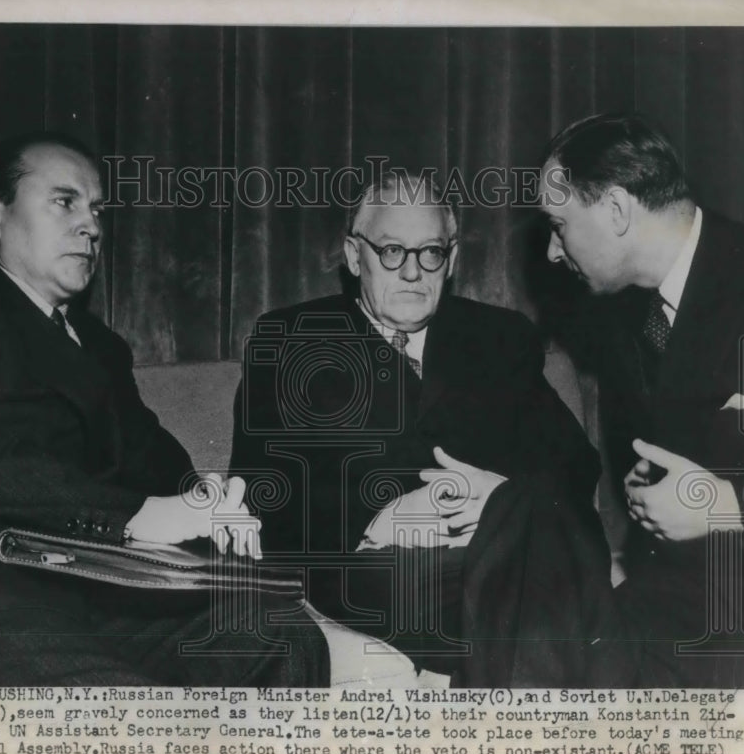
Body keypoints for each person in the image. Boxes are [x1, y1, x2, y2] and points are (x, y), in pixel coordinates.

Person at [0, 132, 330, 686]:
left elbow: (154, 460)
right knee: (120, 708)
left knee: (281, 637)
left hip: (101, 594)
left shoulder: (101, 345)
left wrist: (209, 501)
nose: (91, 226)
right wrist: (133, 515)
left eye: (97, 210)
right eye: (65, 202)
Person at [229, 172, 602, 681]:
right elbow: (260, 490)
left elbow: (573, 463)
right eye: (390, 251)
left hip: (503, 549)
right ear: (354, 255)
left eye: (430, 252)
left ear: (451, 259)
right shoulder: (291, 340)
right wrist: (381, 518)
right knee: (542, 592)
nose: (411, 271)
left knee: (539, 572)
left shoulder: (499, 337)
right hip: (376, 567)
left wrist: (501, 501)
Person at [536, 112, 744, 687]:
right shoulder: (628, 312)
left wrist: (727, 508)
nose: (550, 252)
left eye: (559, 225)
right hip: (686, 598)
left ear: (617, 211)